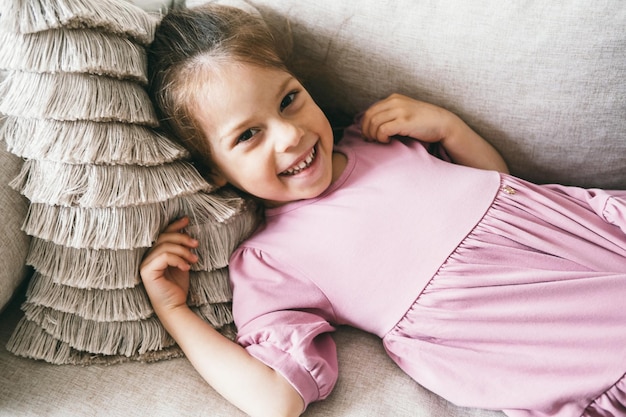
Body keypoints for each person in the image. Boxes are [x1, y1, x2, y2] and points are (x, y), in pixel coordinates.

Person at [140, 4, 626, 417]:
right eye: (248, 135)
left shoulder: (376, 137)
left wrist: (449, 129)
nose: (290, 135)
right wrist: (175, 310)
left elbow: (500, 190)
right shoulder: (271, 259)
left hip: (588, 239)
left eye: (289, 100)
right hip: (555, 337)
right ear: (214, 170)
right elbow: (276, 400)